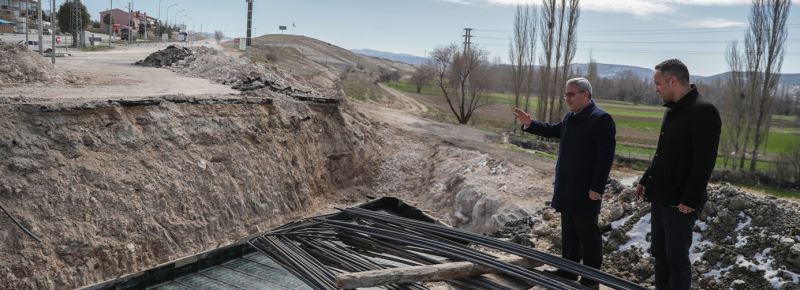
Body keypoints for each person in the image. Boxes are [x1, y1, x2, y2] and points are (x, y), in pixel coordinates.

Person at [513, 77, 616, 289]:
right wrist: (530, 124)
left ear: (585, 95)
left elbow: (605, 158)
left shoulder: (601, 119)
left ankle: (591, 278)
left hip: (586, 189)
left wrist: (597, 188)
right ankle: (568, 270)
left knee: (588, 233)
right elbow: (552, 130)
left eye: (571, 94)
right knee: (569, 230)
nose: (567, 98)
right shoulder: (572, 117)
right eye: (566, 94)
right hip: (567, 186)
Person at [637, 59, 721, 290]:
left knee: (676, 259)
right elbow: (663, 153)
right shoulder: (673, 110)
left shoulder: (704, 111)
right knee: (661, 255)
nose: (656, 88)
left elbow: (704, 162)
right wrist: (646, 179)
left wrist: (689, 199)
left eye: (658, 83)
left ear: (672, 81)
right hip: (661, 195)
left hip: (679, 201)